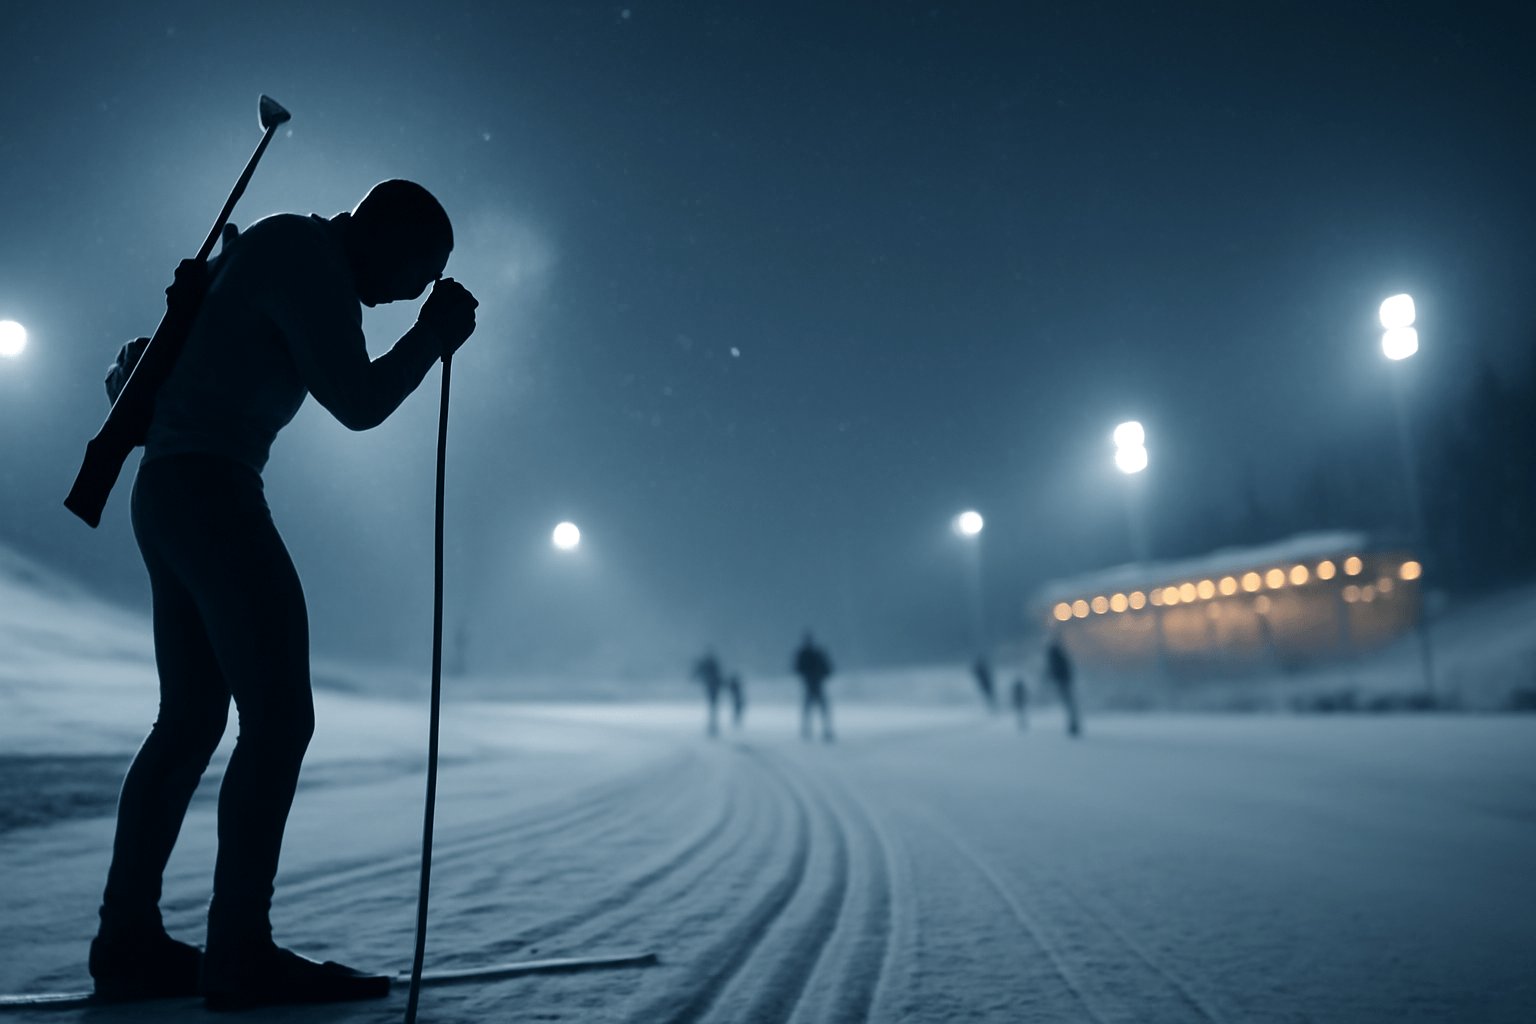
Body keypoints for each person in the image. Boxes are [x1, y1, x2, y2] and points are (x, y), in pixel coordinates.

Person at [88, 180, 478, 1010]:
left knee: (191, 720)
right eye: (419, 273)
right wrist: (431, 338)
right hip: (211, 488)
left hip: (169, 486)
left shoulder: (276, 243)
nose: (411, 293)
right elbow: (360, 402)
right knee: (279, 721)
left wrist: (421, 330)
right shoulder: (308, 257)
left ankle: (127, 941)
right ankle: (238, 954)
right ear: (387, 236)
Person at [792, 632, 835, 742]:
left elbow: (828, 669)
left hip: (814, 684)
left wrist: (812, 675)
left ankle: (816, 730)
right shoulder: (812, 654)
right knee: (816, 709)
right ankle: (815, 730)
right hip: (813, 684)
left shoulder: (812, 654)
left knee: (814, 709)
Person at [1045, 639, 1081, 737]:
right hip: (1064, 683)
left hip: (1063, 684)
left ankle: (1073, 725)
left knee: (1069, 704)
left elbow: (1053, 672)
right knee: (1070, 704)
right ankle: (1073, 724)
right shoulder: (1060, 658)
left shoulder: (1056, 659)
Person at [691, 650, 725, 736]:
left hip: (712, 686)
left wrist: (693, 677)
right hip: (713, 686)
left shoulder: (708, 664)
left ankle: (712, 724)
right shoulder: (712, 664)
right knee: (713, 705)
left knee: (713, 705)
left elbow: (698, 671)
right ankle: (713, 724)